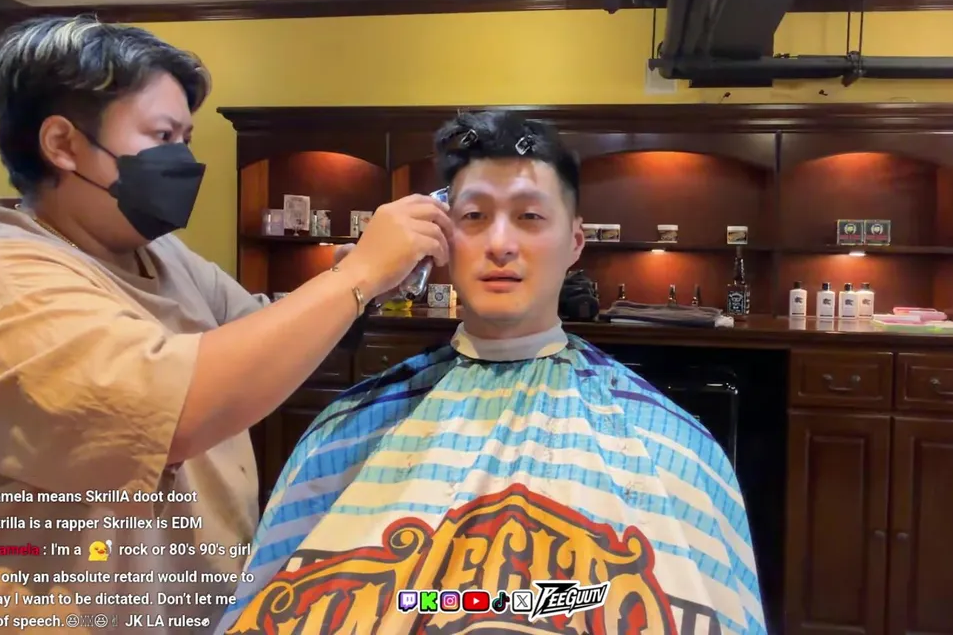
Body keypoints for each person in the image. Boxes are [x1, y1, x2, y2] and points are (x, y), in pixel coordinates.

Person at [0, 15, 451, 633]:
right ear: (62, 143)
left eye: (186, 139)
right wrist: (358, 276)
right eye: (162, 135)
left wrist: (364, 286)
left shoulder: (154, 251)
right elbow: (176, 414)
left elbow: (265, 334)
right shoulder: (1, 288)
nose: (184, 161)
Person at [217, 111, 767, 635]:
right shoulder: (347, 432)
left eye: (530, 217)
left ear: (575, 243)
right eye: (474, 217)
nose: (500, 244)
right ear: (439, 239)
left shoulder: (677, 449)